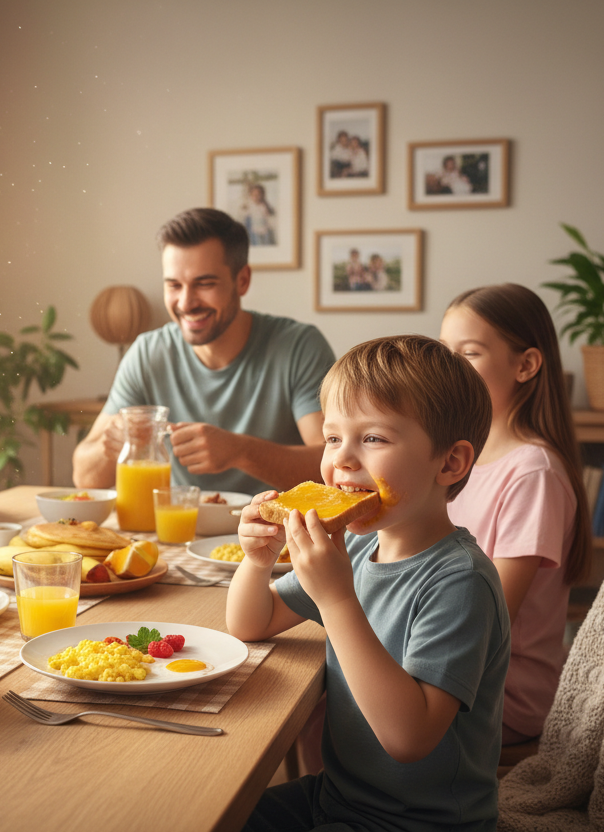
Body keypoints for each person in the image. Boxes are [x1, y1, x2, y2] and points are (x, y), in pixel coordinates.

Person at [228, 335, 508, 832]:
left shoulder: (460, 581)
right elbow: (252, 623)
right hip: (338, 796)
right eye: (333, 438)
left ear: (450, 462)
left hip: (421, 823)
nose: (342, 460)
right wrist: (258, 560)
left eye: (373, 439)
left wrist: (337, 599)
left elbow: (409, 739)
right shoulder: (357, 548)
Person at [72, 207, 335, 495]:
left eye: (205, 284)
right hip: (178, 523)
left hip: (275, 523)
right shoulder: (147, 354)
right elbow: (84, 478)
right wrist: (113, 447)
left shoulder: (299, 347)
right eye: (174, 285)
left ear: (242, 280)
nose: (186, 302)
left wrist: (240, 451)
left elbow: (332, 464)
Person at [439, 283, 591, 745]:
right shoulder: (460, 457)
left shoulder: (533, 473)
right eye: (445, 352)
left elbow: (490, 618)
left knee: (333, 695)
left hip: (503, 691)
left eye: (469, 354)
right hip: (452, 659)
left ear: (525, 365)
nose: (449, 369)